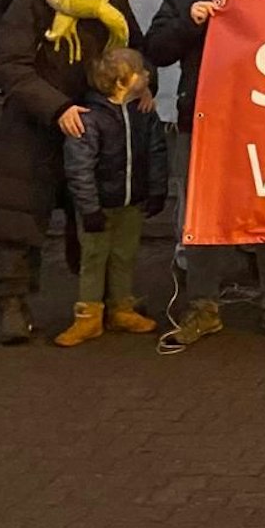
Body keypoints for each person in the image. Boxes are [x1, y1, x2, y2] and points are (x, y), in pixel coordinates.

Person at [145, 0, 265, 345]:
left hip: (262, 123)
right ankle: (202, 306)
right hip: (202, 119)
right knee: (205, 214)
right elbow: (154, 50)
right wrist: (187, 22)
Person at [0, 0, 144, 344]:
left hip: (94, 127)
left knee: (95, 217)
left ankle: (100, 301)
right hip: (33, 127)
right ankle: (13, 305)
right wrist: (56, 108)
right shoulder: (32, 0)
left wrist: (146, 87)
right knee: (18, 218)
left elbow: (133, 51)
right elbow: (12, 65)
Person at [53, 48, 167, 347]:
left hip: (132, 202)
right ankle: (88, 314)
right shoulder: (90, 119)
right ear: (122, 81)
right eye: (141, 72)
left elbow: (157, 153)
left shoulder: (143, 113)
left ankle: (121, 308)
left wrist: (156, 190)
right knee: (93, 257)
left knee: (124, 256)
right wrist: (89, 207)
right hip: (99, 205)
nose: (147, 76)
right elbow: (79, 167)